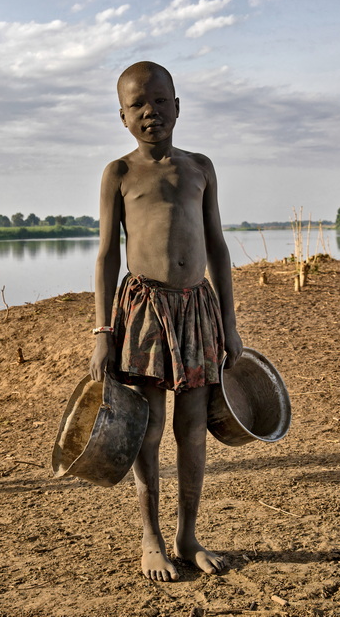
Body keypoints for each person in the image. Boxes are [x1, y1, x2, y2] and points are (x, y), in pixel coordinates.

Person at [89, 62, 243, 582]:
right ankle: (150, 538)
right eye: (138, 104)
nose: (150, 110)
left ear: (178, 105)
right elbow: (108, 256)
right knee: (148, 429)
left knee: (192, 430)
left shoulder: (200, 167)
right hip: (143, 312)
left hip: (197, 308)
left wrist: (230, 322)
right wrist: (103, 333)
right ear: (123, 117)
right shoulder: (120, 173)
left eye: (160, 99)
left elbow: (218, 248)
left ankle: (188, 535)